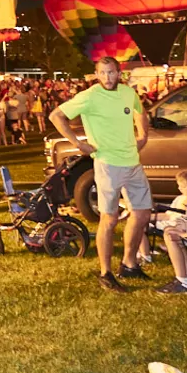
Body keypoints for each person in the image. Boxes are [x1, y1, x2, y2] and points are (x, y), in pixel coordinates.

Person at [49, 56, 152, 292]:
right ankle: (105, 273)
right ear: (97, 74)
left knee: (142, 213)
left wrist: (143, 135)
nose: (107, 77)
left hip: (132, 163)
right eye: (103, 73)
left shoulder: (128, 93)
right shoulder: (90, 96)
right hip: (107, 164)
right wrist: (77, 143)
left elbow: (140, 112)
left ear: (120, 73)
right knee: (109, 219)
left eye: (112, 72)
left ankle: (129, 264)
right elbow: (56, 116)